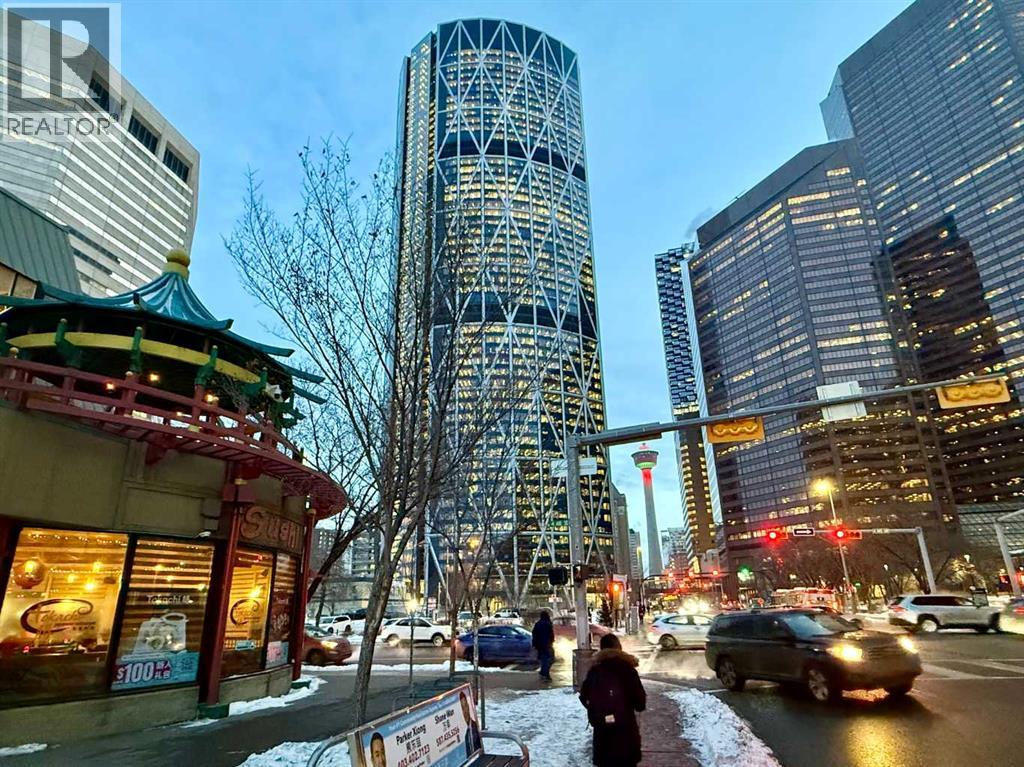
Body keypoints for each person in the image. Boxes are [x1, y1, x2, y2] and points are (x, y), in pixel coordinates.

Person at [579, 634, 646, 767]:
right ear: (619, 648)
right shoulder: (628, 670)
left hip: (603, 736)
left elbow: (583, 696)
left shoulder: (595, 670)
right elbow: (640, 704)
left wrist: (599, 712)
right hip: (625, 735)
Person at [531, 610, 555, 681]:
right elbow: (551, 635)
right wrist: (551, 642)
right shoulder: (548, 624)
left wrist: (534, 644)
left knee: (543, 659)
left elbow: (534, 634)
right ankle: (544, 674)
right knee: (550, 659)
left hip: (539, 645)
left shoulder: (538, 624)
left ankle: (544, 673)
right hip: (546, 644)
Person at [459, 689, 482, 758]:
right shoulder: (465, 733)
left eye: (465, 706)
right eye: (462, 708)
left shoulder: (474, 727)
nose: (465, 711)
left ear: (468, 706)